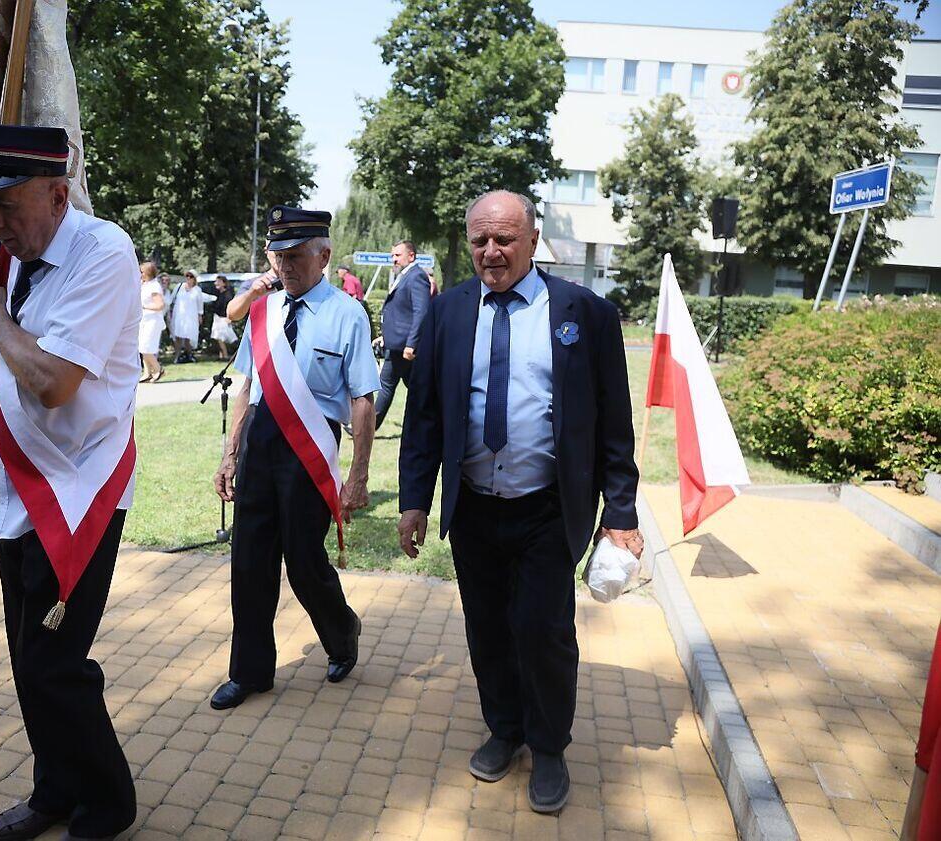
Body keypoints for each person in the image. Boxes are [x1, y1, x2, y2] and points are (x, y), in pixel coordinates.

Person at [397, 190, 642, 814]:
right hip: (474, 507)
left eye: (504, 239)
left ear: (533, 240)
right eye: (479, 240)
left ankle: (549, 745)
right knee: (486, 627)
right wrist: (414, 500)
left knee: (543, 630)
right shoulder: (447, 312)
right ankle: (505, 728)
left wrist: (620, 513)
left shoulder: (585, 314)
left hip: (547, 507)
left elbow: (614, 425)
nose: (491, 251)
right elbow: (424, 417)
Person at [0, 122, 140, 841]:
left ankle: (109, 801)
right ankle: (56, 788)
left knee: (54, 663)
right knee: (28, 659)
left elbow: (53, 383)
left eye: (6, 205)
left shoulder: (102, 253)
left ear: (56, 195)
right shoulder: (7, 259)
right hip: (19, 492)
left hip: (78, 493)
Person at [210, 205, 380, 711]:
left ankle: (341, 632)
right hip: (261, 442)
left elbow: (362, 399)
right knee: (249, 561)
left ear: (323, 256)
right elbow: (248, 386)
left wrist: (358, 475)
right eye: (278, 256)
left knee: (305, 563)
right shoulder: (263, 312)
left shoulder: (348, 313)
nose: (285, 266)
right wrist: (231, 453)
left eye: (296, 256)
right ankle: (250, 672)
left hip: (311, 446)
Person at [374, 240, 431, 429]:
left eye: (397, 255)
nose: (394, 259)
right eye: (392, 255)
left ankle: (369, 426)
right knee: (396, 385)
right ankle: (369, 426)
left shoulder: (417, 276)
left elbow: (421, 312)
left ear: (411, 256)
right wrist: (385, 336)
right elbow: (398, 312)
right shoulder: (404, 275)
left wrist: (411, 344)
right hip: (396, 344)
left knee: (407, 387)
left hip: (405, 348)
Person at [169, 270, 214, 363]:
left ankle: (189, 354)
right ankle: (177, 356)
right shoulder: (179, 287)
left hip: (191, 316)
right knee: (178, 336)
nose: (188, 278)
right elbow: (172, 299)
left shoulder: (197, 290)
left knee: (188, 336)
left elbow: (200, 304)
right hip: (179, 315)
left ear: (194, 278)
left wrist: (200, 315)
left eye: (191, 276)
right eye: (187, 276)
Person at [138, 262, 165, 383]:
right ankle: (147, 373)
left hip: (152, 320)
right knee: (141, 347)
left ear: (148, 273)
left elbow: (160, 305)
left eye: (142, 272)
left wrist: (144, 307)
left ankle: (158, 369)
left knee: (145, 347)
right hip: (144, 320)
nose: (140, 274)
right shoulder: (144, 285)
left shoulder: (154, 286)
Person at [208, 275, 237, 358]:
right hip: (217, 318)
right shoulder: (217, 293)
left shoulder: (227, 295)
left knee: (225, 338)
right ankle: (222, 356)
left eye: (218, 282)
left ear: (224, 283)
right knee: (218, 337)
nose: (215, 283)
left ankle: (226, 355)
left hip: (224, 319)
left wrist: (230, 318)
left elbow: (230, 307)